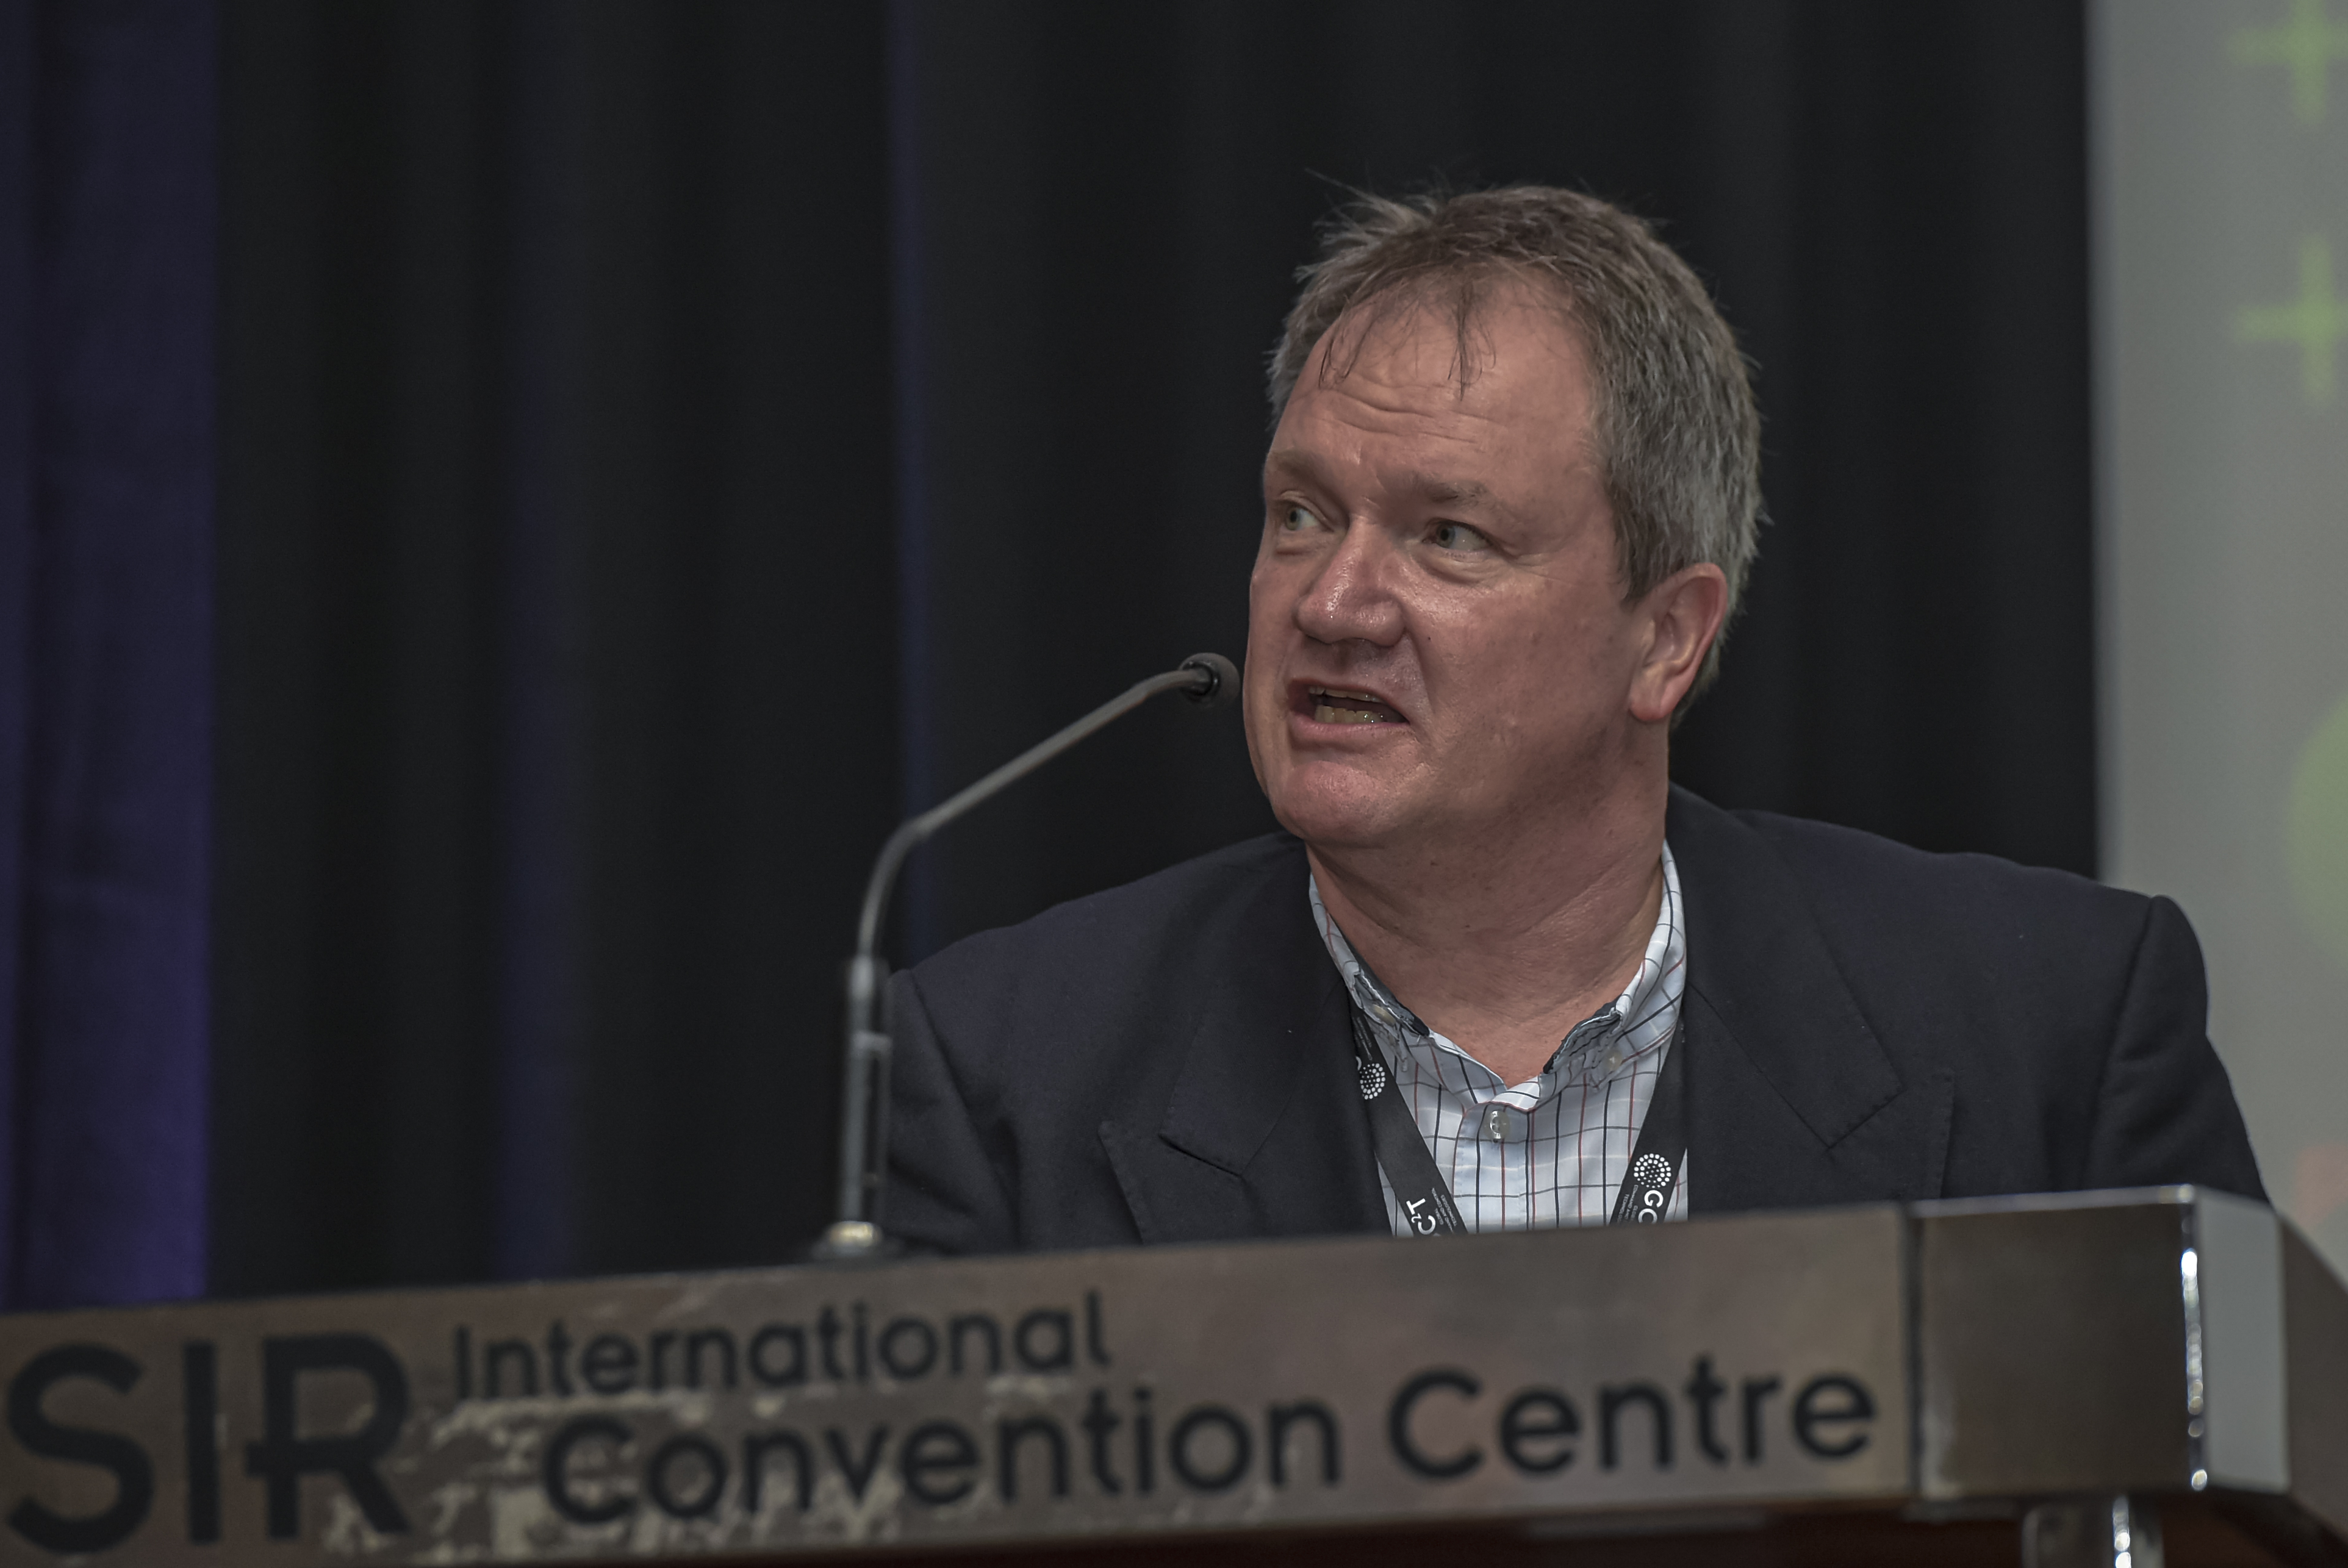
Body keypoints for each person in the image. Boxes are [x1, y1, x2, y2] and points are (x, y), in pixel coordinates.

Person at [883, 185, 2263, 1255]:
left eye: (1449, 534)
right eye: (1300, 514)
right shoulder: (1010, 1071)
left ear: (1665, 639)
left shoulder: (2052, 1029)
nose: (1333, 600)